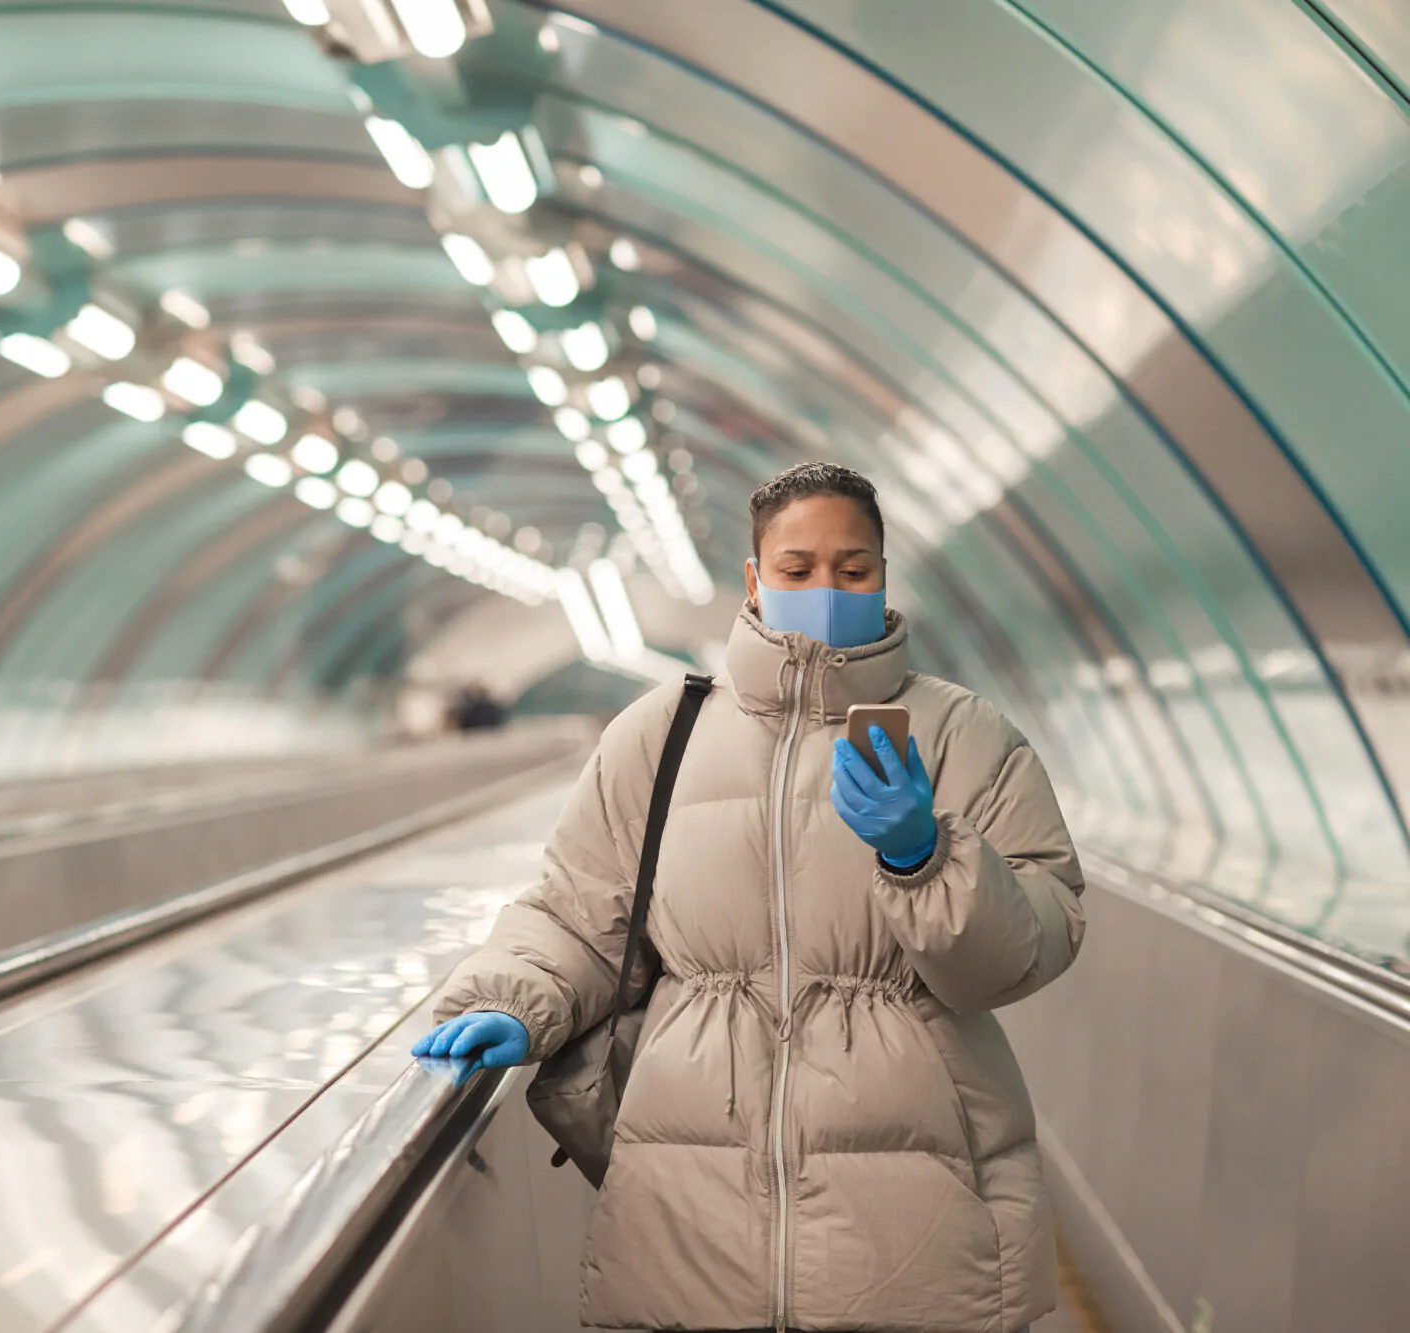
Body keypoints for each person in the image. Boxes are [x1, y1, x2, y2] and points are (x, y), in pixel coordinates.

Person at [413, 462, 1083, 1333]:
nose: (827, 589)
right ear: (754, 578)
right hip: (690, 1205)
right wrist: (512, 997)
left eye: (853, 569)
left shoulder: (968, 738)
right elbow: (576, 916)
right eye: (798, 568)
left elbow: (1025, 948)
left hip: (911, 1216)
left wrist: (925, 856)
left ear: (883, 574)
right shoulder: (662, 734)